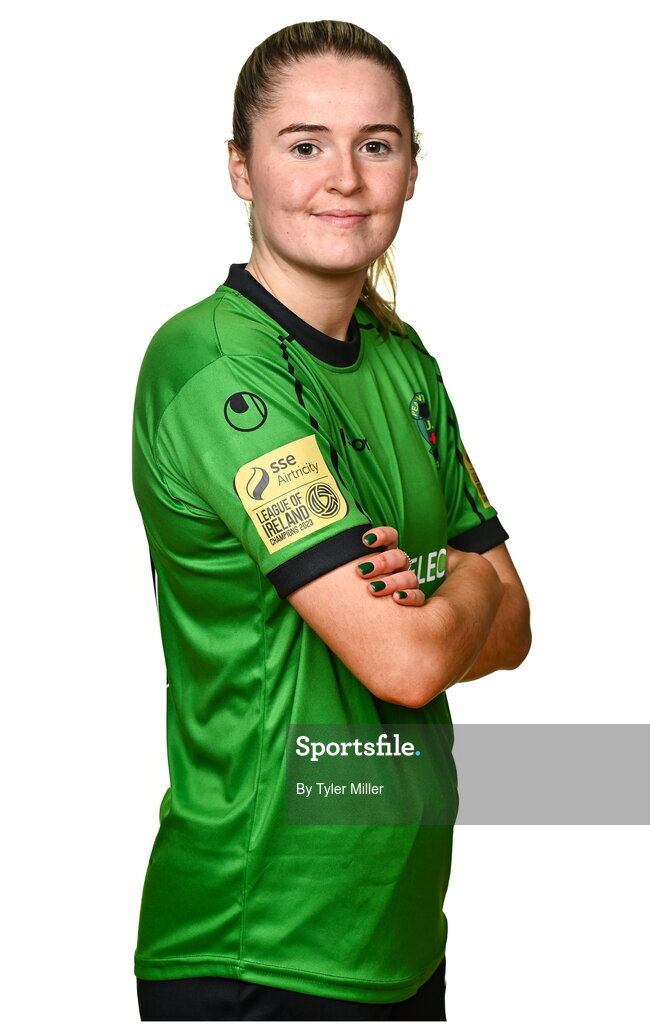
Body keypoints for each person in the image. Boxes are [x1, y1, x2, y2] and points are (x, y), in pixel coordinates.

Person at [131, 19, 531, 1022]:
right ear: (241, 167)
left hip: (399, 932)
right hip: (262, 942)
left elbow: (517, 626)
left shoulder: (404, 362)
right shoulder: (215, 368)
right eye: (304, 144)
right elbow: (405, 663)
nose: (344, 179)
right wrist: (463, 580)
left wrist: (447, 601)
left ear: (410, 169)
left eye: (375, 144)